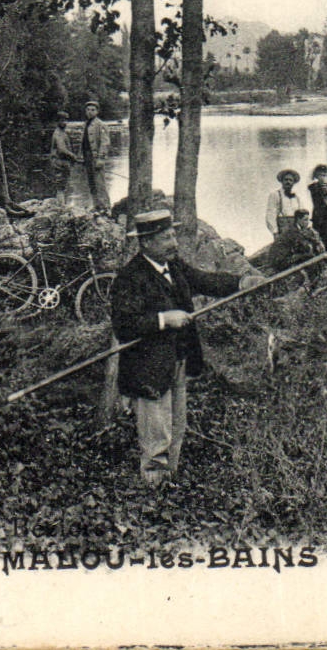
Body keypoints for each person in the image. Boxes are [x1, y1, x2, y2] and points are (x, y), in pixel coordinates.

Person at [111, 209, 262, 488]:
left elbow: (204, 280)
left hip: (178, 359)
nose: (174, 243)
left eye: (173, 235)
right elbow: (124, 325)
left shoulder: (174, 265)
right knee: (156, 430)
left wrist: (241, 282)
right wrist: (163, 319)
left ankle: (171, 479)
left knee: (176, 424)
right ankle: (154, 486)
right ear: (146, 243)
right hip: (148, 368)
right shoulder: (130, 277)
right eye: (166, 238)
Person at [78, 98, 110, 211]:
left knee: (100, 183)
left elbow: (105, 143)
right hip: (86, 156)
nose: (90, 112)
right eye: (88, 110)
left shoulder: (101, 124)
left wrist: (101, 158)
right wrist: (80, 157)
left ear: (97, 111)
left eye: (93, 110)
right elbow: (82, 142)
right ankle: (96, 205)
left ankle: (105, 207)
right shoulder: (85, 124)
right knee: (91, 182)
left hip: (95, 157)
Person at [49, 113, 81, 205]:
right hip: (59, 162)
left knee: (63, 185)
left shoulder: (62, 132)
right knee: (61, 186)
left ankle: (61, 205)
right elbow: (62, 150)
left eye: (66, 120)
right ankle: (61, 206)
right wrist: (73, 156)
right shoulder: (58, 133)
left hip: (62, 162)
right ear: (57, 121)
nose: (65, 123)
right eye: (62, 120)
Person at [265, 169, 305, 239]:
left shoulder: (297, 197)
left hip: (296, 230)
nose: (288, 182)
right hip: (282, 230)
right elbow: (270, 215)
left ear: (293, 182)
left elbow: (302, 214)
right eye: (286, 180)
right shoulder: (275, 195)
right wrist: (275, 232)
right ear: (282, 181)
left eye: (290, 180)